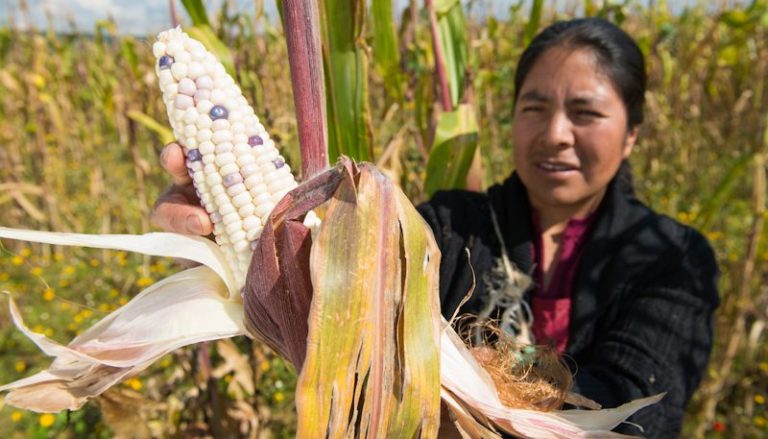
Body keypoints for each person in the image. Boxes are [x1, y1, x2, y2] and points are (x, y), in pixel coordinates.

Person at [152, 17, 719, 438]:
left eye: (587, 113)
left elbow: (639, 410)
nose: (555, 134)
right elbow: (339, 285)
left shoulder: (671, 255)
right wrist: (240, 249)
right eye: (534, 108)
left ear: (632, 133)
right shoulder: (448, 225)